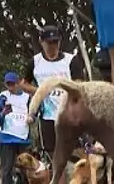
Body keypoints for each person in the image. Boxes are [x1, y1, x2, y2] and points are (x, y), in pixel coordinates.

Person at [18, 25, 83, 184]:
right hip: (47, 117)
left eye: (56, 42)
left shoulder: (71, 60)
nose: (53, 46)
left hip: (68, 115)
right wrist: (41, 91)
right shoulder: (35, 62)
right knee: (56, 158)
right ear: (41, 42)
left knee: (77, 155)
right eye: (49, 42)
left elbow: (80, 86)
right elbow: (23, 84)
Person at [0, 71, 30, 184]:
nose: (10, 87)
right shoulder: (3, 96)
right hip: (7, 139)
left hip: (22, 138)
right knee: (7, 170)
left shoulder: (27, 97)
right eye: (8, 84)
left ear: (18, 83)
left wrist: (32, 118)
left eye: (13, 84)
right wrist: (3, 113)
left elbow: (33, 113)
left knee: (26, 169)